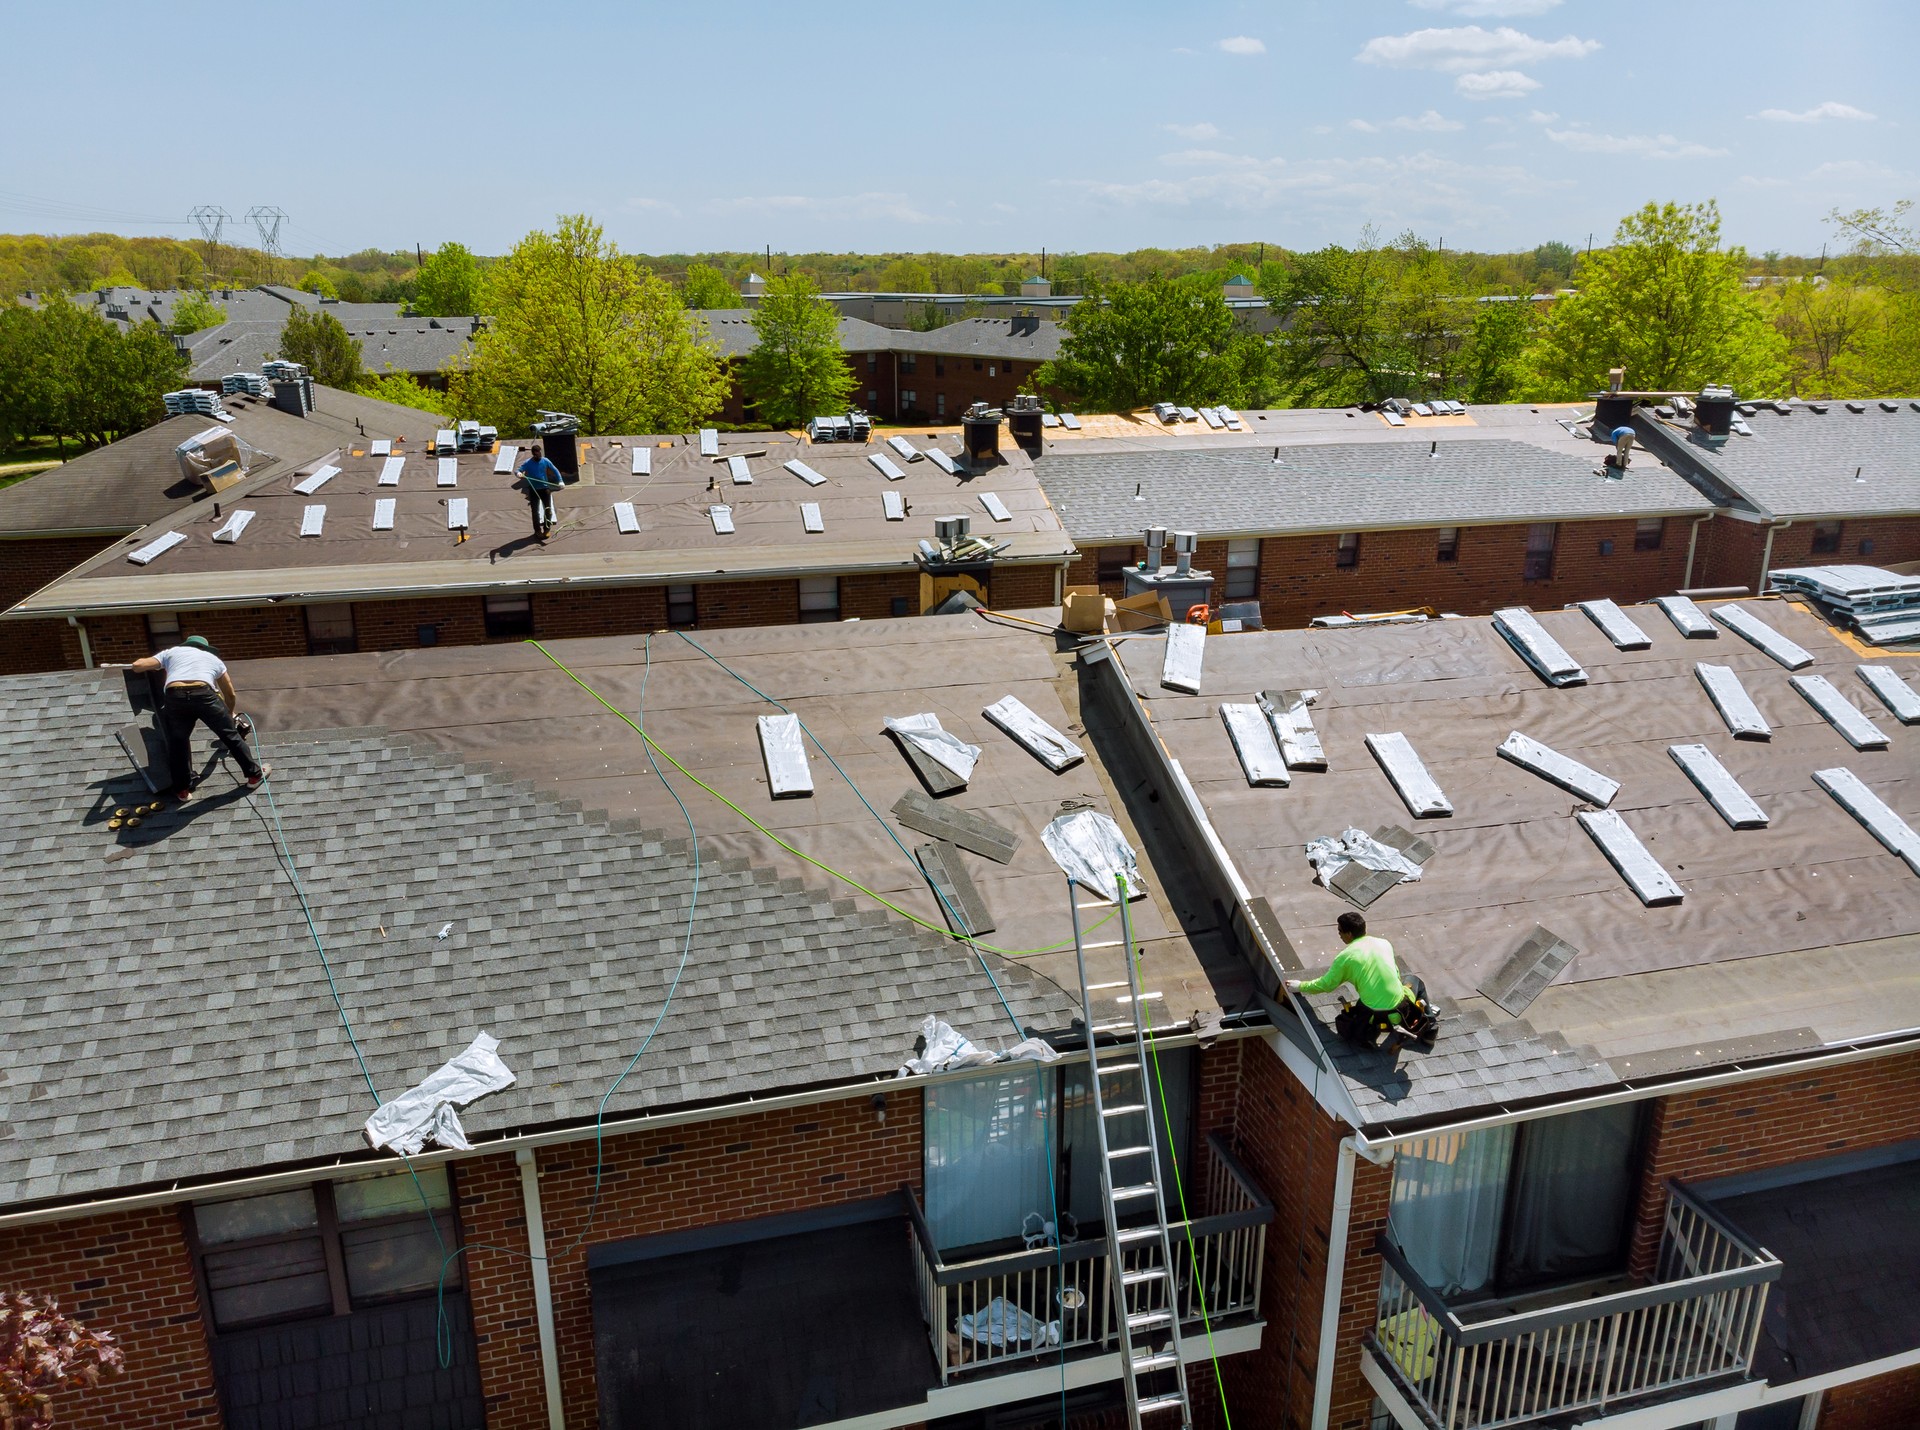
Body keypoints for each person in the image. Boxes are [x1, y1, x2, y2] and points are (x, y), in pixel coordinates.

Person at [130, 636, 270, 802]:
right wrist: (228, 715)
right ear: (205, 648)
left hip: (175, 696)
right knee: (230, 736)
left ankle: (182, 790)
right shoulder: (213, 659)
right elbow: (230, 693)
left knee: (178, 742)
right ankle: (254, 776)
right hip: (204, 695)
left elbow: (138, 666)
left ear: (186, 645)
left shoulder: (172, 652)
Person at [1286, 912, 1427, 1034]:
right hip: (1400, 1012)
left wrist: (1300, 986)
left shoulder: (1345, 957)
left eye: (1340, 931)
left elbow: (1326, 985)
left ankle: (1428, 1027)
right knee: (1414, 980)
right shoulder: (1384, 943)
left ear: (1349, 934)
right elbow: (1396, 975)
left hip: (1372, 1017)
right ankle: (1429, 1025)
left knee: (1366, 999)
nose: (1339, 934)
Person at [517, 442, 563, 540]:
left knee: (548, 510)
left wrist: (560, 481)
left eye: (539, 454)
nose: (538, 456)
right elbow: (518, 470)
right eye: (536, 454)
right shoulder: (528, 463)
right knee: (535, 511)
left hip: (545, 488)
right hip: (534, 490)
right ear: (533, 454)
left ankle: (547, 529)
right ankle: (537, 530)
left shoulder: (545, 461)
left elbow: (555, 470)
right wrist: (519, 474)